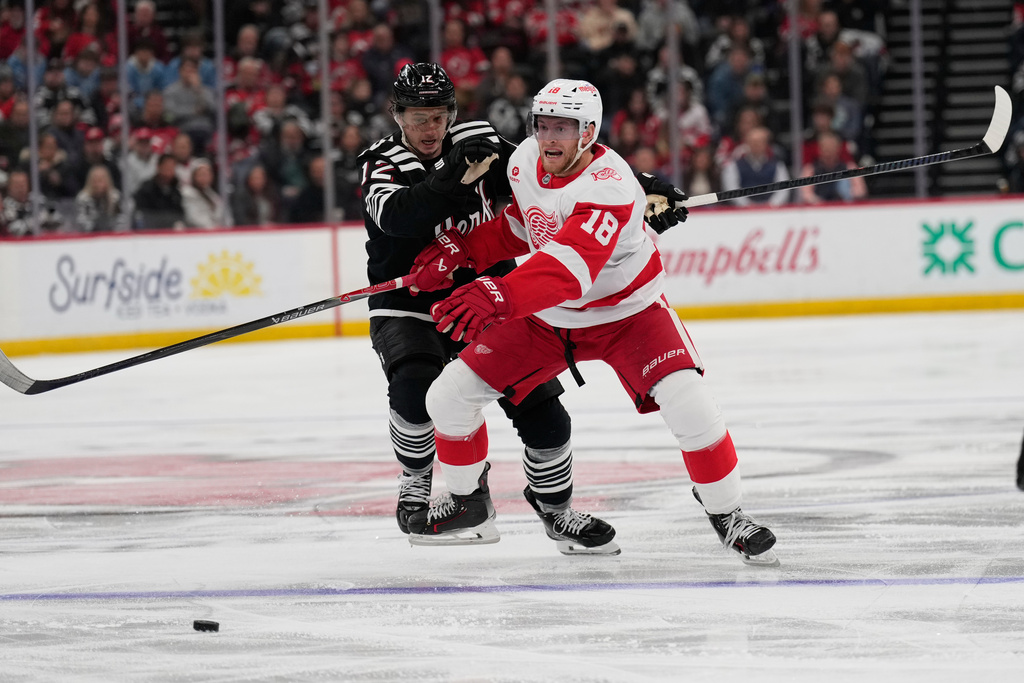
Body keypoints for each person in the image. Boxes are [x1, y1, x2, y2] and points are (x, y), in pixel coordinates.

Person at [404, 79, 777, 566]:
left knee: (692, 407)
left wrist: (499, 293)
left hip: (629, 315)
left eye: (564, 127)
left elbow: (569, 269)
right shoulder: (523, 164)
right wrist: (467, 250)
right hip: (547, 318)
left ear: (589, 131)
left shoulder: (612, 185)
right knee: (447, 396)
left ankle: (728, 514)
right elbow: (525, 225)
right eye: (543, 125)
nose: (550, 138)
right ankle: (468, 502)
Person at [358, 63, 622, 554]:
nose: (429, 129)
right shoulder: (382, 162)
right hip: (407, 301)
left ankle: (557, 509)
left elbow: (556, 169)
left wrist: (635, 184)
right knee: (415, 392)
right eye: (417, 117)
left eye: (438, 117)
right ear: (396, 116)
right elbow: (396, 218)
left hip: (486, 294)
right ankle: (419, 477)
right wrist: (450, 182)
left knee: (544, 411)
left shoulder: (481, 140)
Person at [74, 164, 126, 233]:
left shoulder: (115, 197)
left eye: (101, 180)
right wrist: (94, 230)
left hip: (112, 234)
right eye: (95, 180)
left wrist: (114, 233)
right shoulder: (83, 198)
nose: (98, 184)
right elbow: (81, 220)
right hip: (90, 235)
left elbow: (121, 219)